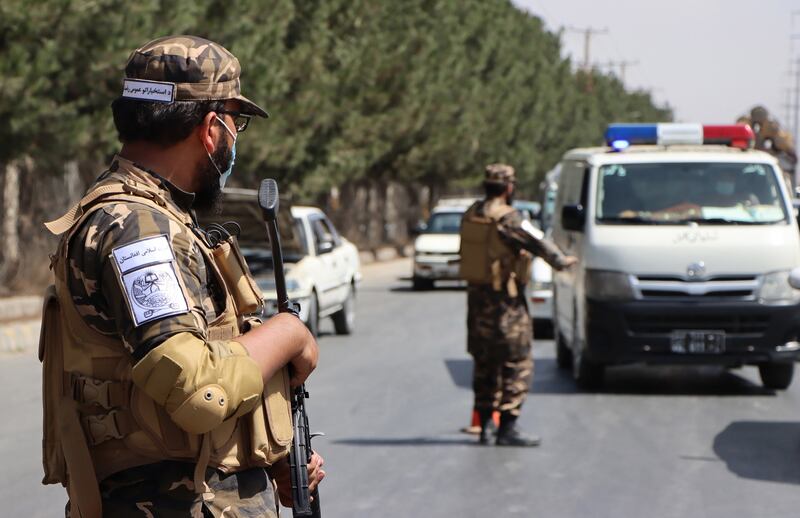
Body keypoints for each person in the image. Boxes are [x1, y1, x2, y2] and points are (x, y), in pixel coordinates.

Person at [40, 35, 324, 517]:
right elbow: (200, 392)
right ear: (212, 129)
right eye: (238, 124)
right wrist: (290, 333)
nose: (235, 139)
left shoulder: (158, 219)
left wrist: (263, 454)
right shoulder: (138, 228)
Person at [459, 164, 577, 447]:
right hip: (505, 307)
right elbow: (540, 244)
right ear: (509, 187)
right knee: (516, 363)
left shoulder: (472, 213)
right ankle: (507, 427)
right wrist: (562, 261)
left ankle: (486, 424)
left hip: (477, 306)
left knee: (484, 364)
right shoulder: (509, 219)